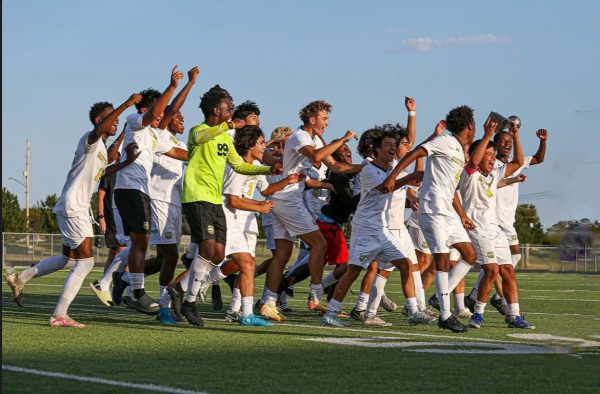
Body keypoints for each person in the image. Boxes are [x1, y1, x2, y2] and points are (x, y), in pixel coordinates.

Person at [5, 94, 142, 327]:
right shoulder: (89, 140)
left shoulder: (100, 149)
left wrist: (126, 159)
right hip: (73, 206)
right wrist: (127, 105)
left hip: (73, 206)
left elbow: (105, 170)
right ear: (100, 119)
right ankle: (59, 313)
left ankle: (20, 277)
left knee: (67, 260)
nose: (116, 121)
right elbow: (100, 132)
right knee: (86, 263)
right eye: (112, 117)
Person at [180, 85, 279, 327]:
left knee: (217, 255)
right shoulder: (199, 131)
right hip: (196, 195)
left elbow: (239, 165)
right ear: (217, 110)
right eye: (229, 107)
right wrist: (228, 126)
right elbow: (201, 138)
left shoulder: (225, 137)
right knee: (208, 247)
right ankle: (189, 301)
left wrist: (268, 169)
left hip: (214, 200)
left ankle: (182, 288)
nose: (232, 111)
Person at [383, 106, 486, 333]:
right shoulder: (445, 141)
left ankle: (439, 299)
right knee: (440, 259)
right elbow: (417, 151)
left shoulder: (459, 149)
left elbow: (452, 189)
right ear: (470, 125)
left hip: (448, 213)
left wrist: (462, 215)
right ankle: (446, 315)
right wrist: (392, 176)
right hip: (433, 210)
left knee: (469, 255)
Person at [259, 100, 362, 321]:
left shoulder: (314, 139)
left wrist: (366, 167)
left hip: (282, 198)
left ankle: (268, 302)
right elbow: (315, 157)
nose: (327, 123)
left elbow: (334, 166)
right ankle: (315, 295)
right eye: (324, 118)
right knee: (320, 244)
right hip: (288, 198)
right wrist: (343, 139)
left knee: (283, 254)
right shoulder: (300, 136)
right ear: (312, 118)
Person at [321, 130, 428, 327]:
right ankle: (331, 313)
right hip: (365, 231)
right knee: (353, 271)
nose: (393, 148)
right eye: (388, 144)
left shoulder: (392, 167)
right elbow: (385, 188)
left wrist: (429, 140)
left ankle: (413, 311)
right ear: (376, 149)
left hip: (382, 230)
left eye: (394, 145)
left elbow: (412, 148)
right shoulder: (368, 170)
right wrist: (408, 177)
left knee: (405, 264)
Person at [200, 126, 301, 326]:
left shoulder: (256, 167)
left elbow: (265, 191)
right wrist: (259, 207)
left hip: (244, 220)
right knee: (212, 261)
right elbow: (233, 201)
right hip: (227, 219)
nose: (265, 147)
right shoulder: (236, 168)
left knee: (246, 264)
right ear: (250, 145)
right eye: (261, 143)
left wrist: (287, 181)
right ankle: (186, 290)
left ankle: (236, 310)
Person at [113, 66, 189, 315]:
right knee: (142, 242)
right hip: (129, 188)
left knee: (143, 243)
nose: (162, 115)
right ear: (145, 110)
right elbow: (159, 111)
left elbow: (171, 111)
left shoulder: (155, 134)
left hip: (141, 191)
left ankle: (129, 286)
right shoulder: (135, 122)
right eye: (157, 109)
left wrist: (188, 84)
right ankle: (136, 293)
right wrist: (172, 86)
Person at [466, 128, 548, 314]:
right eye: (503, 141)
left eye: (509, 140)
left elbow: (537, 159)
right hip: (490, 220)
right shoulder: (488, 167)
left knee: (511, 259)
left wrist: (542, 141)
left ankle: (477, 296)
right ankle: (491, 299)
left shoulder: (508, 165)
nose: (507, 143)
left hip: (505, 221)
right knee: (490, 264)